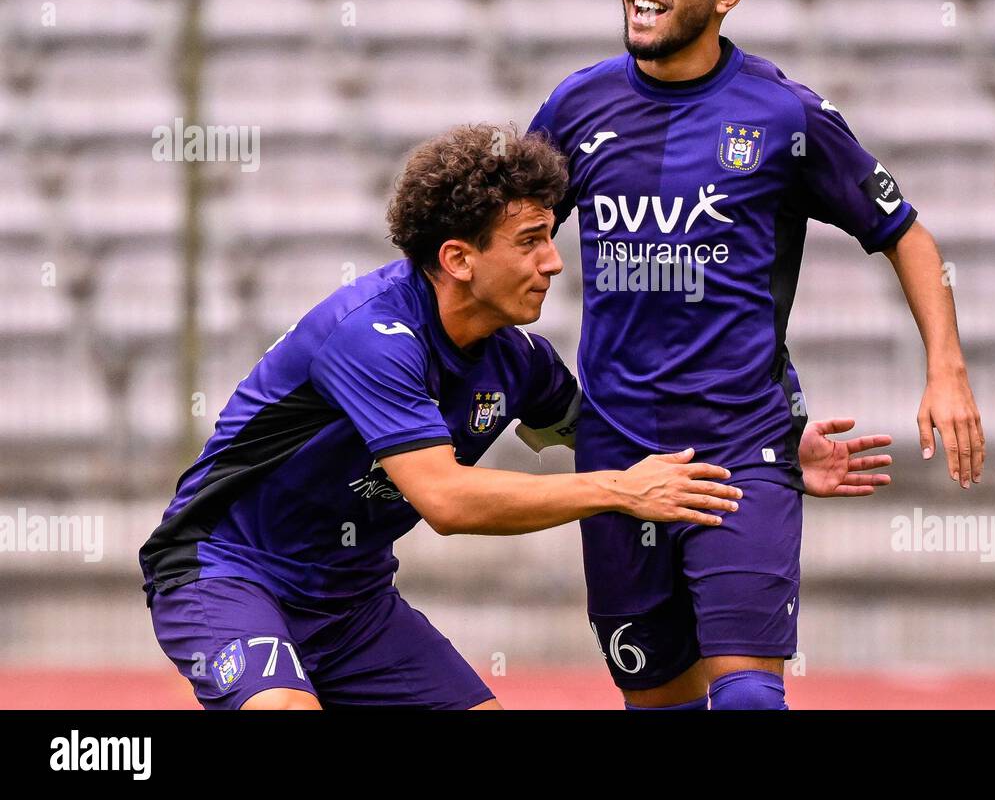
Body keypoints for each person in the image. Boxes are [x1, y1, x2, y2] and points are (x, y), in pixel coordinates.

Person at [139, 123, 891, 709]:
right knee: (280, 707)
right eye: (530, 243)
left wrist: (772, 454)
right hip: (223, 573)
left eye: (551, 240)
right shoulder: (371, 337)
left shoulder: (518, 362)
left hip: (350, 601)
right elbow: (448, 500)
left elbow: (614, 436)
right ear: (460, 258)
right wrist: (618, 490)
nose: (554, 263)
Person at [528, 0, 984, 710]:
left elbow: (906, 234)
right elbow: (506, 246)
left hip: (744, 450)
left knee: (745, 700)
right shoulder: (573, 105)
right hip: (615, 457)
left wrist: (946, 369)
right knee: (658, 700)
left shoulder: (785, 116)